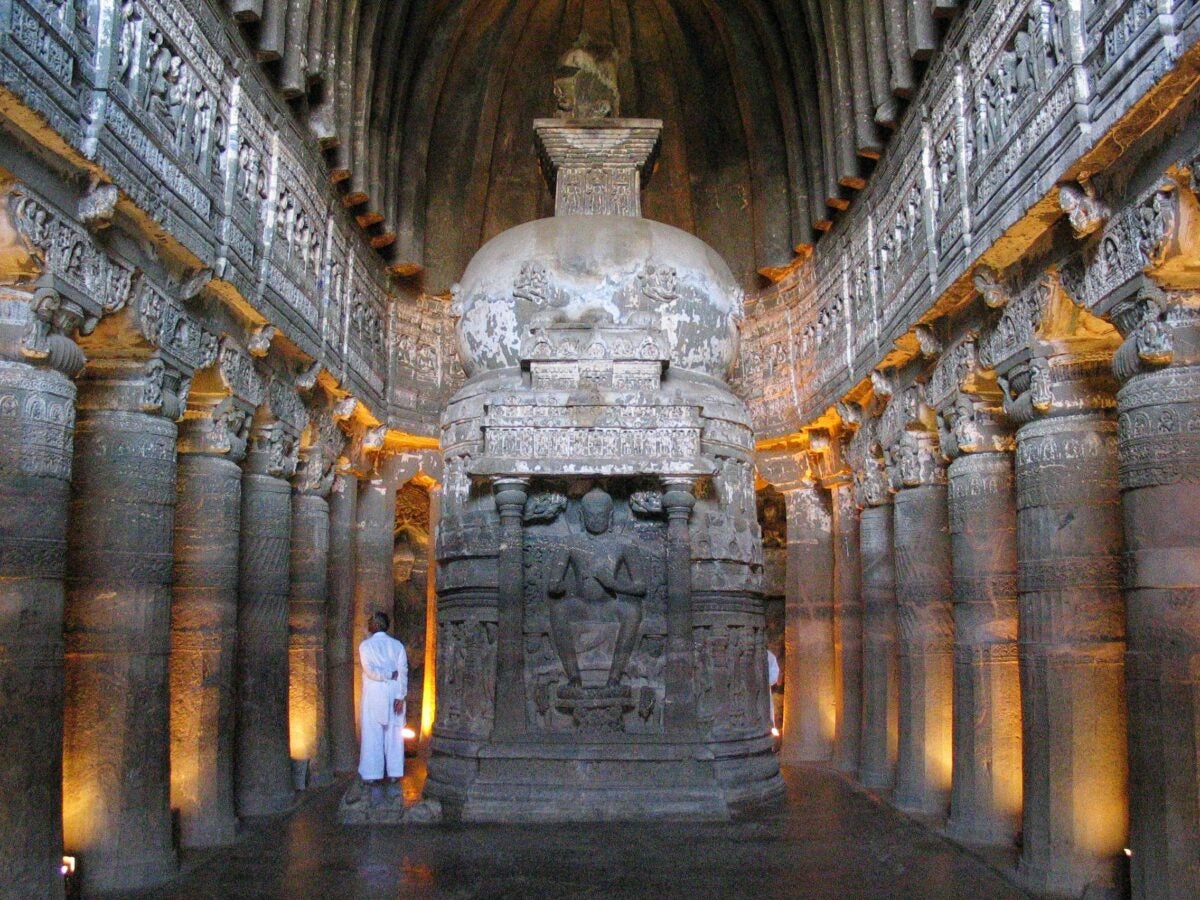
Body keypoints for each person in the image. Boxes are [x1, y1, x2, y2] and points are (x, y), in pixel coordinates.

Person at [358, 611, 407, 803]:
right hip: (394, 692)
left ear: (376, 624)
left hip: (375, 693)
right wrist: (401, 695)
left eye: (370, 621)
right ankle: (395, 772)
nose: (368, 624)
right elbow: (402, 671)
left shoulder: (366, 646)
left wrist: (385, 675)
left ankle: (372, 773)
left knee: (372, 734)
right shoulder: (397, 646)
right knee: (394, 734)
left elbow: (370, 671)